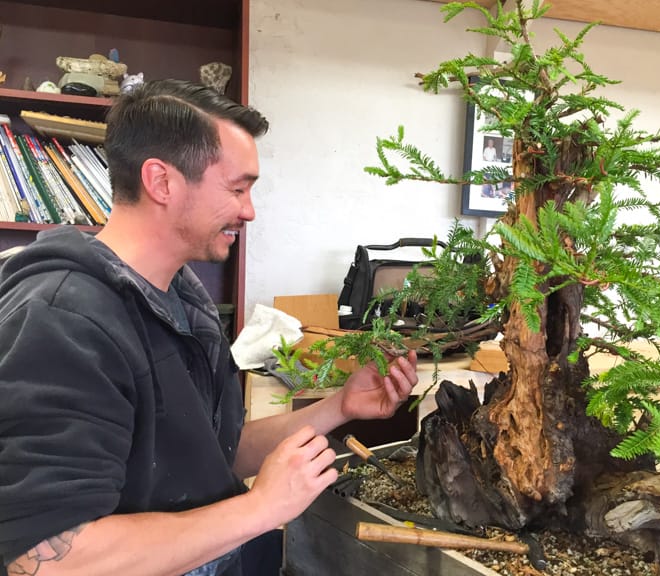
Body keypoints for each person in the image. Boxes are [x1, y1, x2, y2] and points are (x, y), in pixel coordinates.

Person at [0, 79, 418, 576]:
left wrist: (339, 408)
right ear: (162, 182)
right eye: (237, 188)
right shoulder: (64, 319)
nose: (249, 210)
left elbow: (216, 451)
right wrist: (259, 508)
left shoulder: (183, 297)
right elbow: (46, 560)